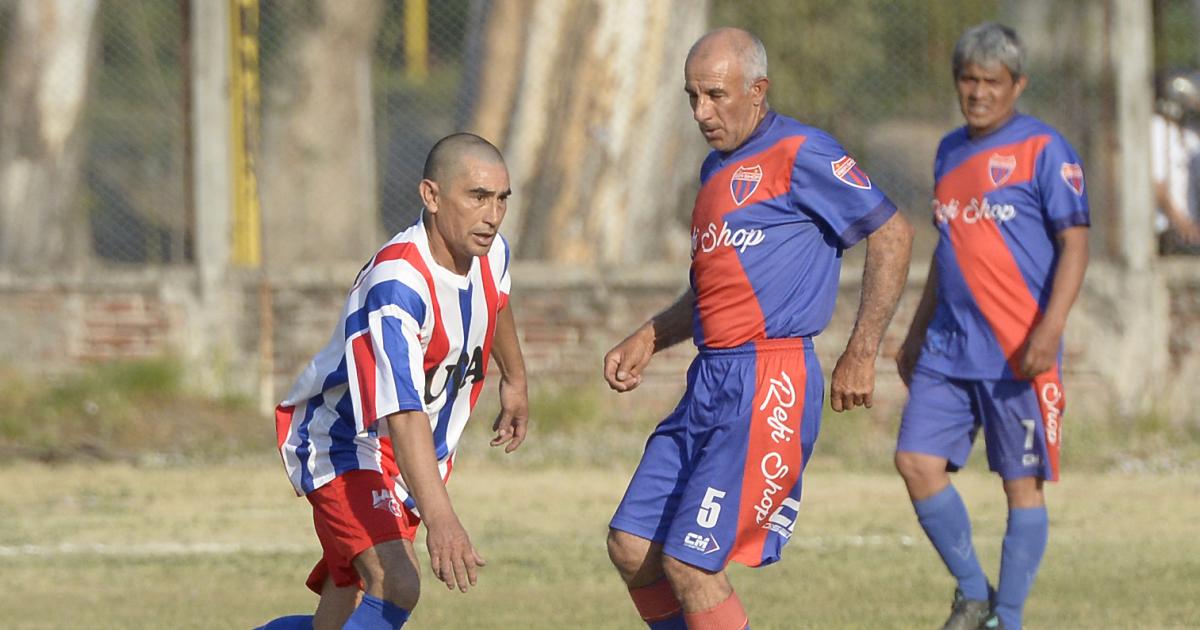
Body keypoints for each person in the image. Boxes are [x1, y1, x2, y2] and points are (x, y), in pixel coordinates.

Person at [603, 28, 913, 630]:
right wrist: (650, 335)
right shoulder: (715, 169)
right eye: (692, 96)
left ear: (758, 90)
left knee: (693, 565)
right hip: (710, 380)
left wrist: (862, 350)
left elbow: (893, 232)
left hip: (770, 378)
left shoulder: (804, 152)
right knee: (634, 547)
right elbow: (717, 291)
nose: (701, 112)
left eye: (716, 95)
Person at [257, 133, 530, 630]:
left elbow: (499, 301)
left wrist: (515, 379)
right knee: (396, 582)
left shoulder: (491, 253)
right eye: (477, 197)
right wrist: (442, 519)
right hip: (345, 442)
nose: (492, 214)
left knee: (346, 610)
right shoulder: (396, 287)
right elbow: (402, 413)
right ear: (431, 195)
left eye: (501, 199)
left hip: (409, 453)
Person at [893, 22, 1090, 630]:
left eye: (991, 82)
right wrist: (916, 330)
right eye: (967, 80)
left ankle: (1007, 617)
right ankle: (974, 593)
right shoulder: (949, 149)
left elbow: (1076, 245)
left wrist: (1049, 331)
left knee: (1020, 485)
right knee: (915, 462)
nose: (977, 92)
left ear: (1017, 85)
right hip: (949, 348)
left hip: (1018, 350)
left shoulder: (1045, 150)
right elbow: (948, 249)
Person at [1152, 69, 1200, 255]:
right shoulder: (1157, 128)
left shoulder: (1186, 134)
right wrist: (1182, 223)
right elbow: (1156, 183)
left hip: (1187, 229)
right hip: (1166, 228)